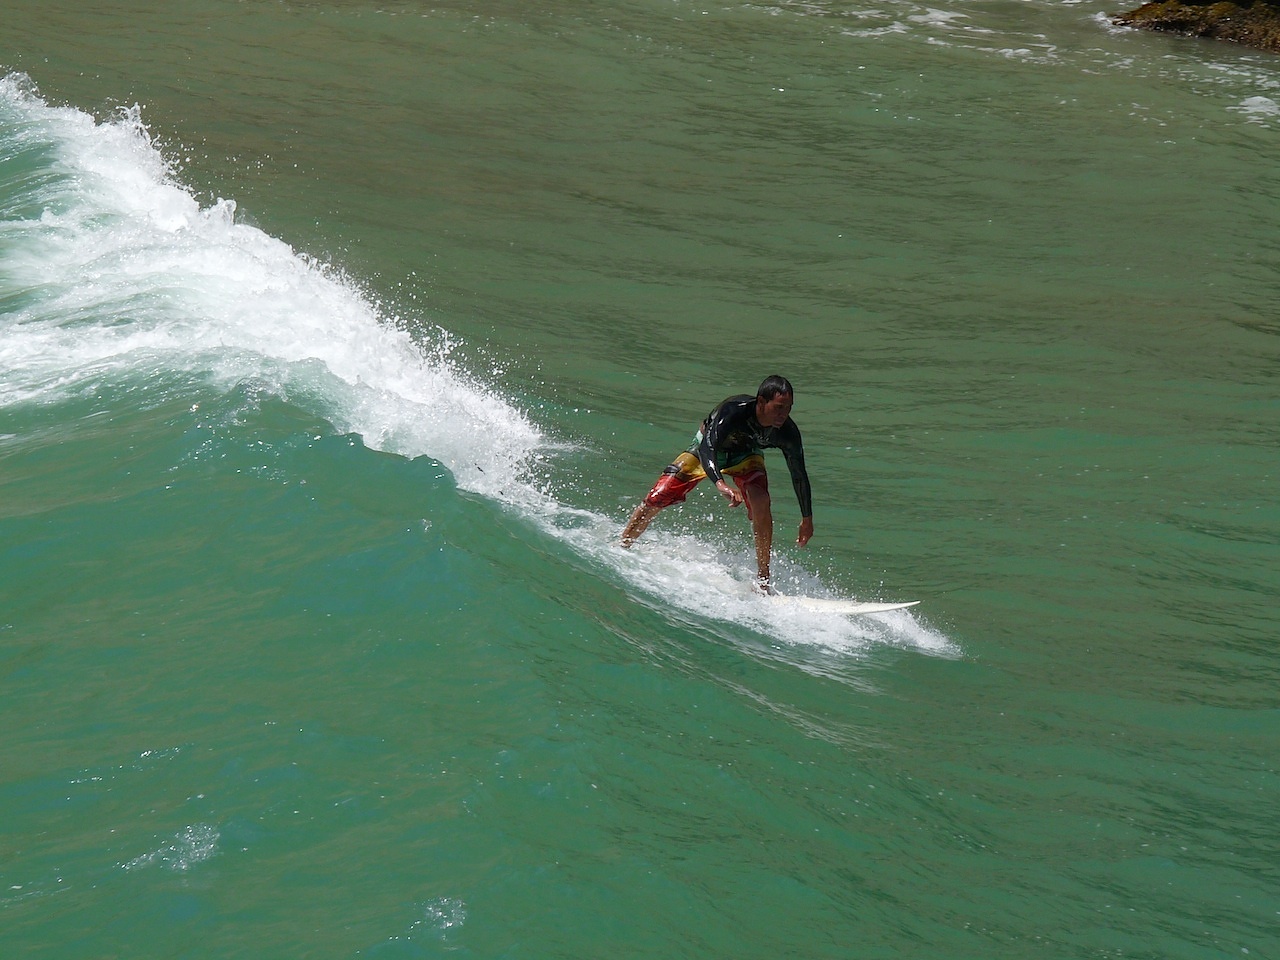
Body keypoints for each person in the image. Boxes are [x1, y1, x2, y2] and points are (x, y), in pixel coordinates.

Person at [621, 375, 814, 592]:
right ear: (761, 402)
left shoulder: (787, 432)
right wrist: (720, 484)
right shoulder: (734, 411)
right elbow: (708, 447)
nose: (784, 414)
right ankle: (623, 545)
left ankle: (763, 580)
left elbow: (798, 473)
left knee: (761, 499)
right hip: (709, 450)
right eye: (779, 407)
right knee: (660, 495)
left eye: (788, 408)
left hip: (746, 455)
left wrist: (807, 518)